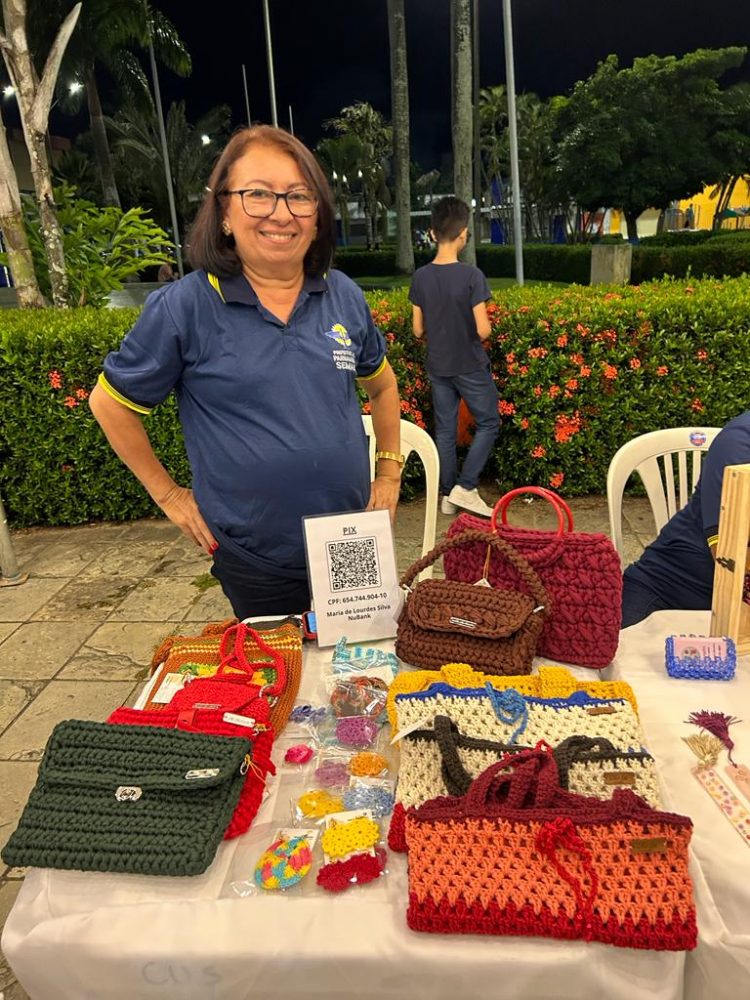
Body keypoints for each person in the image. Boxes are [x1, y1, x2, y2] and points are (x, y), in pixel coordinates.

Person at [89, 125, 402, 619]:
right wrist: (169, 496)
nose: (281, 212)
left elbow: (383, 387)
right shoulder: (183, 308)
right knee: (281, 683)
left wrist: (388, 473)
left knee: (359, 673)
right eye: (258, 194)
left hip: (351, 539)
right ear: (225, 214)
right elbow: (109, 404)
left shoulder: (343, 295)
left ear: (318, 218)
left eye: (299, 196)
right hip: (256, 558)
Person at [409, 196, 498, 517]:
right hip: (470, 364)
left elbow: (417, 330)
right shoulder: (472, 276)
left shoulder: (420, 277)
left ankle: (448, 495)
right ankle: (466, 487)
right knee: (489, 422)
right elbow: (484, 330)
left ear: (432, 233)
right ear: (463, 234)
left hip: (439, 364)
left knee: (445, 431)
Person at [621, 412, 750, 627]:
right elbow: (727, 554)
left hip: (732, 608)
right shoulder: (739, 441)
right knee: (602, 655)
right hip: (668, 591)